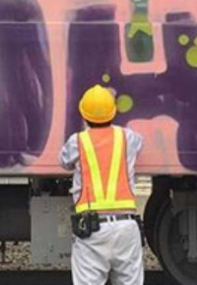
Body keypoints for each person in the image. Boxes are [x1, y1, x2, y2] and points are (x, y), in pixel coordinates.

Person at [60, 84, 144, 285]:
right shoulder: (127, 137)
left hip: (93, 229)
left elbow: (64, 161)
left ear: (84, 114)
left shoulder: (77, 142)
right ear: (113, 112)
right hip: (126, 226)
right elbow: (139, 144)